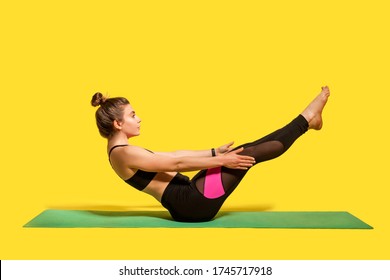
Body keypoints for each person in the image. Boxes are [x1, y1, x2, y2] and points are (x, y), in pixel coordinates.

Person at [91, 86, 330, 222]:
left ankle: (308, 121)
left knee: (244, 150)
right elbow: (177, 162)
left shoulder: (122, 150)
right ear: (117, 124)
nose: (139, 118)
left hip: (190, 197)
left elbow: (175, 155)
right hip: (193, 203)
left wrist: (215, 152)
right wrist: (221, 160)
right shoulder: (121, 154)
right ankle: (307, 120)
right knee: (250, 154)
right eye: (132, 115)